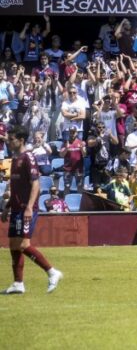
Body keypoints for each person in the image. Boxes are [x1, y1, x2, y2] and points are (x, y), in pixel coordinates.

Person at [1, 126, 63, 295]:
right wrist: (7, 207)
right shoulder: (15, 158)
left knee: (23, 244)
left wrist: (29, 207)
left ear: (21, 140)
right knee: (14, 244)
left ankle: (51, 272)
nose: (8, 141)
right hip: (15, 208)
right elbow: (15, 187)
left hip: (25, 209)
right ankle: (18, 283)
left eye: (11, 139)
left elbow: (36, 184)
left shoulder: (28, 157)